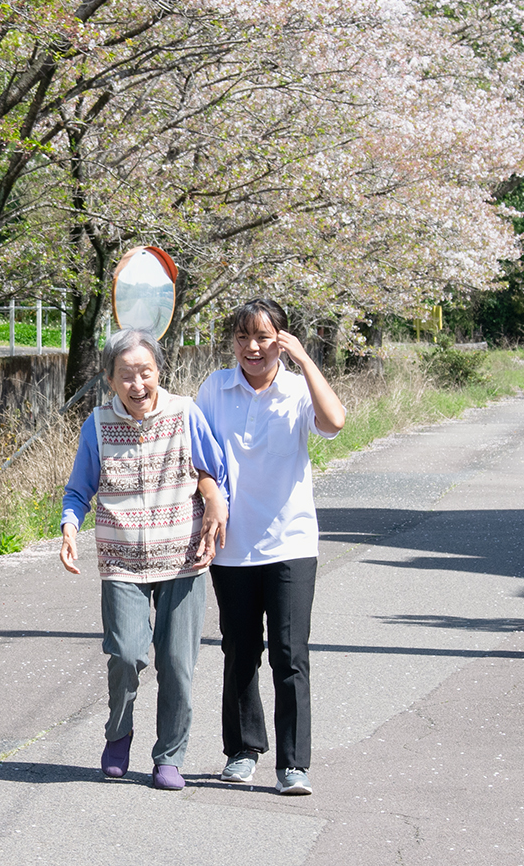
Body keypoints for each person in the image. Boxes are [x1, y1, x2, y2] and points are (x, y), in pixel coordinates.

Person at [60, 328, 227, 791]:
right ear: (110, 380)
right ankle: (118, 735)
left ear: (159, 372)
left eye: (145, 372)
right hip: (121, 558)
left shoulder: (186, 413)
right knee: (127, 655)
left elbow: (214, 470)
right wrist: (70, 528)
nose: (137, 384)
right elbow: (78, 490)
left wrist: (213, 494)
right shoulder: (96, 425)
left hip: (184, 556)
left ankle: (169, 757)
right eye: (126, 375)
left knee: (177, 663)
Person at [196, 298, 345, 796]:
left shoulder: (299, 390)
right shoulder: (215, 388)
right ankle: (242, 750)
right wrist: (211, 493)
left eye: (263, 337)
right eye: (242, 338)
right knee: (240, 651)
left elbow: (335, 421)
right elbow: (195, 452)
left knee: (289, 653)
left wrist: (305, 360)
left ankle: (293, 764)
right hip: (232, 545)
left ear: (281, 339)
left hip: (291, 542)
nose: (252, 348)